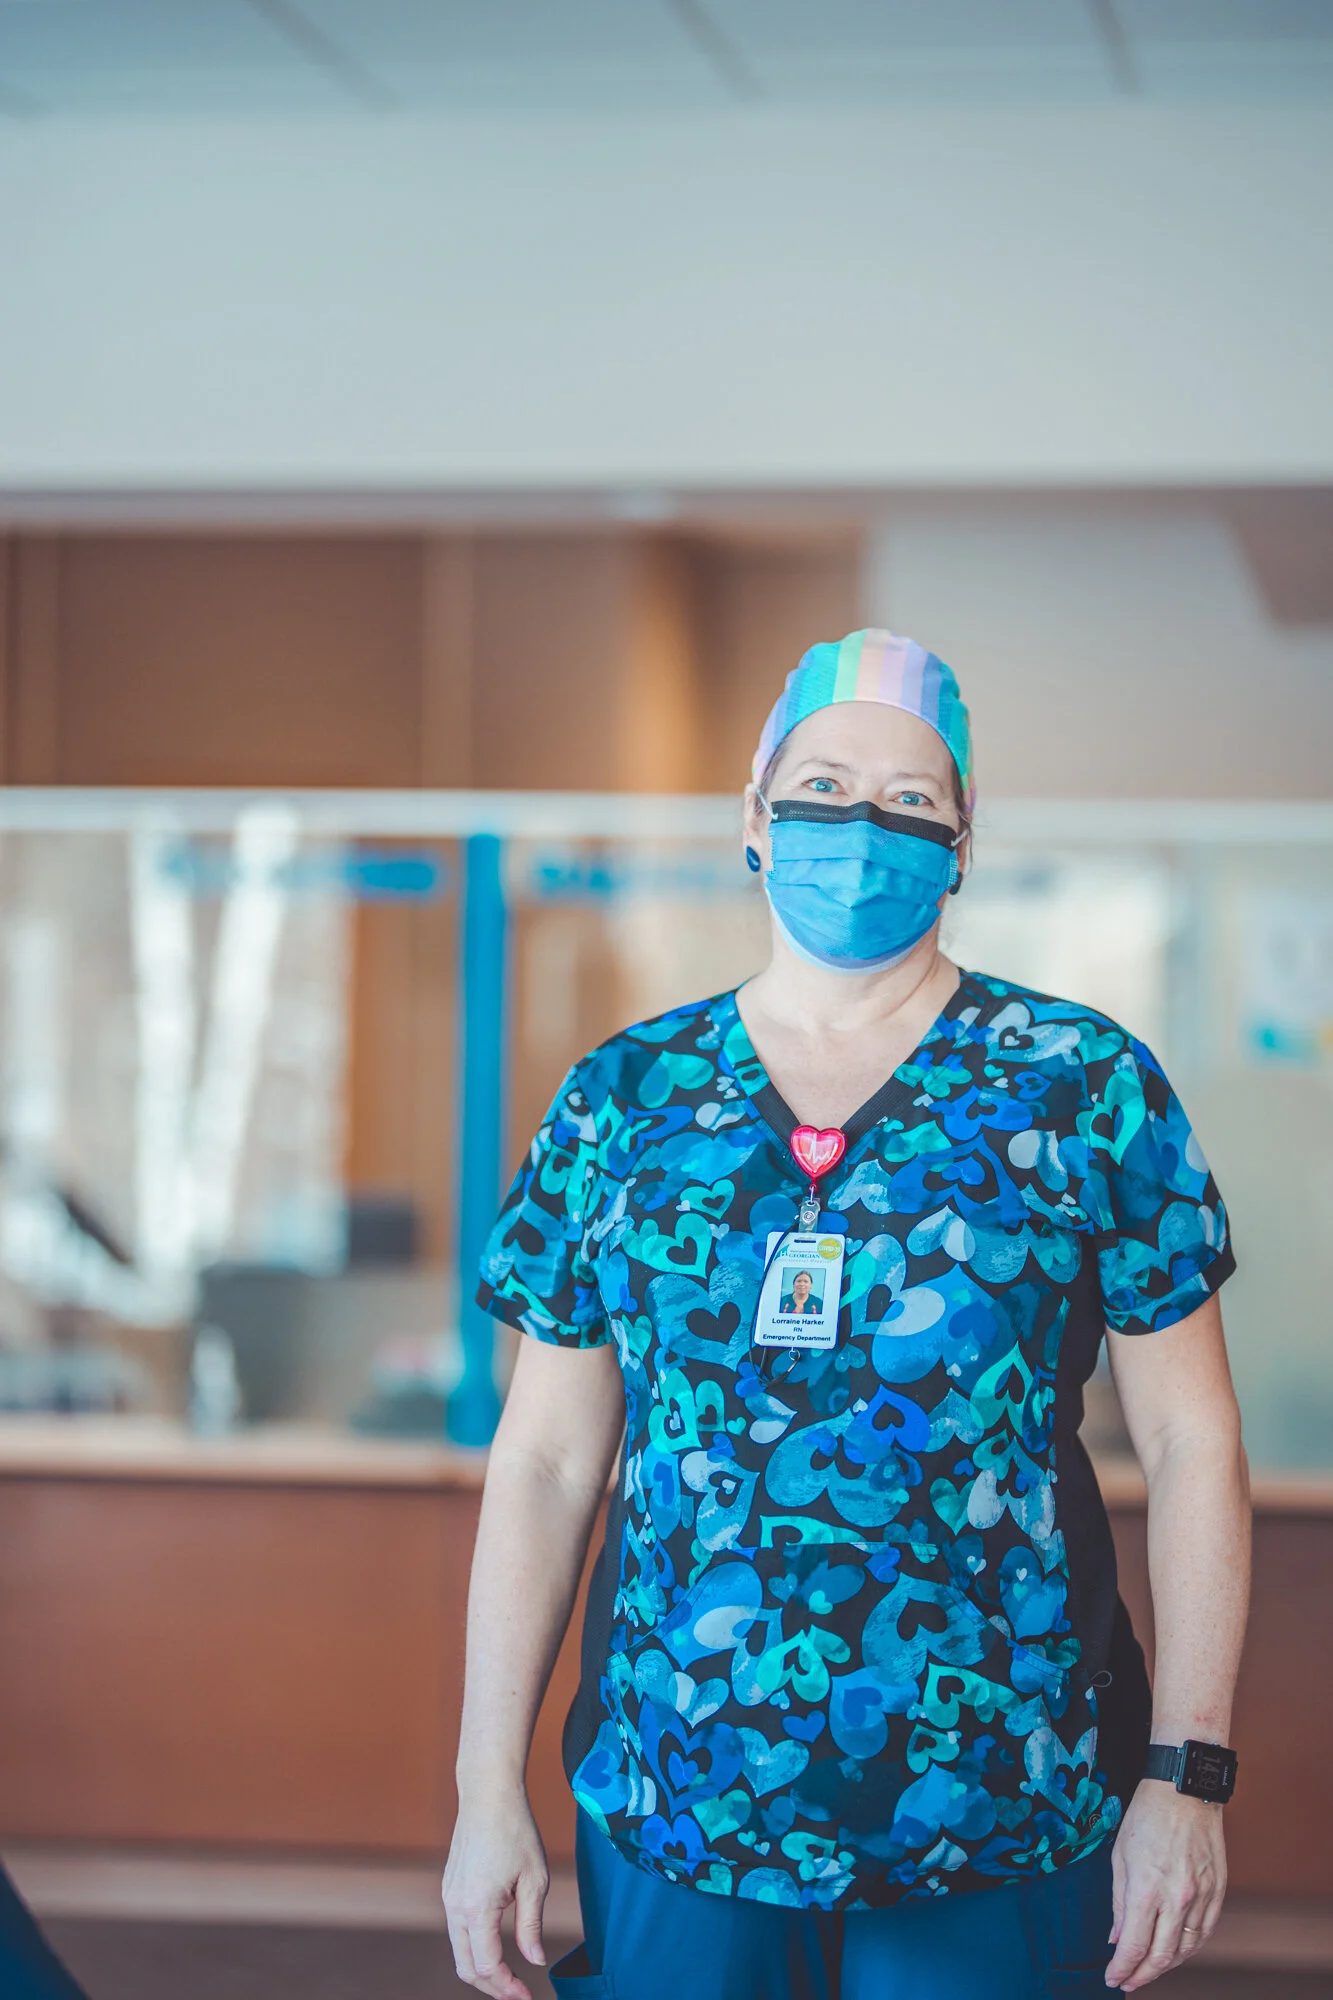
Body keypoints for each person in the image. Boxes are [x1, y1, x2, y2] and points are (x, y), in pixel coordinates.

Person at [443, 629, 1250, 2000]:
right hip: (677, 1789)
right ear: (754, 818)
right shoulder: (626, 1100)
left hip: (1001, 1793)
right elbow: (546, 1463)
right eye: (821, 786)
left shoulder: (1081, 1086)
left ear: (961, 843)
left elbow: (1192, 1445)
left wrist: (1189, 1773)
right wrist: (483, 1791)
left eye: (909, 800)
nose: (861, 828)